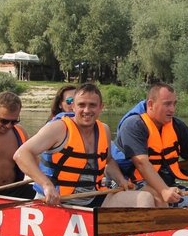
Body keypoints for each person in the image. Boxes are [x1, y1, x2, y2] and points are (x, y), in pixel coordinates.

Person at [15, 84, 155, 208]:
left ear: (101, 108)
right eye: (81, 105)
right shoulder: (58, 128)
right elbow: (21, 155)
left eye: (92, 105)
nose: (87, 110)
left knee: (145, 198)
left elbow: (108, 161)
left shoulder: (104, 130)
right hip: (57, 200)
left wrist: (121, 180)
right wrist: (46, 185)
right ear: (73, 107)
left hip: (93, 197)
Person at [113, 83, 188, 211]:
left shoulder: (177, 126)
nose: (172, 109)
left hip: (167, 184)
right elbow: (141, 163)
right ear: (150, 104)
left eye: (174, 104)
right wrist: (164, 190)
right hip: (131, 183)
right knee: (158, 197)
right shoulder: (133, 125)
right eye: (167, 104)